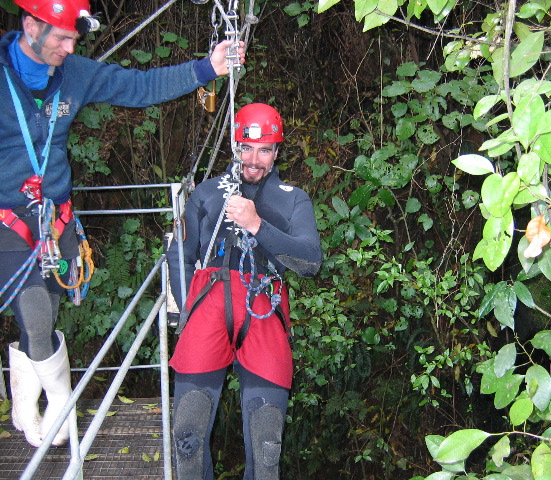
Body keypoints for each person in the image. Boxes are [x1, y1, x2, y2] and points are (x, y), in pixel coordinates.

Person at [0, 0, 245, 448]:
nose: (70, 48)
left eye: (75, 38)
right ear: (31, 26)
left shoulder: (73, 73)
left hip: (55, 218)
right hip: (6, 219)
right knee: (34, 313)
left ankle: (23, 401)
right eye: (62, 37)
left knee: (46, 314)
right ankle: (61, 403)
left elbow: (137, 86)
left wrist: (206, 69)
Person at [167, 102, 322, 480]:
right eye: (246, 148)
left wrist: (256, 225)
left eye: (264, 150)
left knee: (267, 447)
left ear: (276, 152)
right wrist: (187, 310)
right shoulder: (206, 193)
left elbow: (310, 262)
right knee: (186, 437)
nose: (254, 160)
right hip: (209, 304)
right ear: (235, 147)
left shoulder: (292, 197)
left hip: (263, 305)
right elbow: (179, 255)